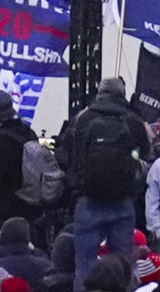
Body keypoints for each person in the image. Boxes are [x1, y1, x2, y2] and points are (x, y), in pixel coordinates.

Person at [61, 78, 151, 269]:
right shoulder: (133, 120)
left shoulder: (82, 118)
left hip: (88, 198)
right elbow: (143, 152)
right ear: (122, 94)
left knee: (85, 263)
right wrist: (131, 158)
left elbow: (66, 152)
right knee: (122, 264)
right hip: (122, 200)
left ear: (99, 92)